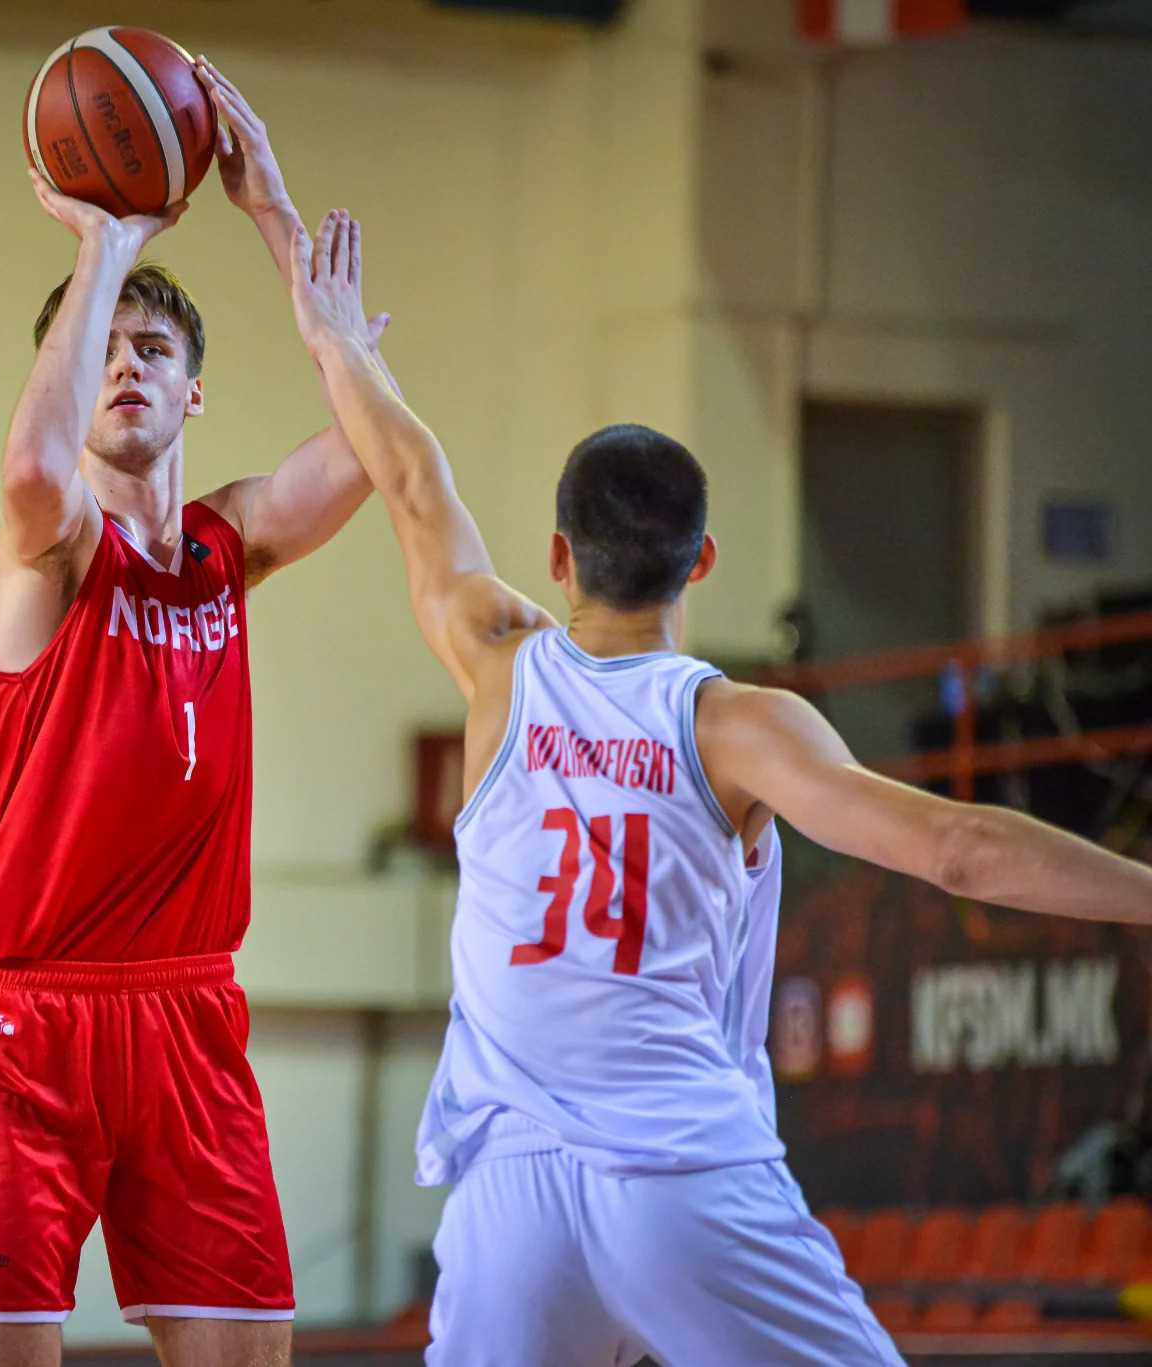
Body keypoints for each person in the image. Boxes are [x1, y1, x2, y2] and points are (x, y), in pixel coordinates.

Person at [283, 208, 1152, 1365]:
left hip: (511, 1193)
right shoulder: (735, 726)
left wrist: (338, 337)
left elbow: (407, 479)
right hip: (677, 1170)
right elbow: (958, 852)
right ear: (699, 558)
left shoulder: (493, 662)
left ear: (555, 555)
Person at [0, 61, 392, 1367]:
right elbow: (29, 462)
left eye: (157, 349)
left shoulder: (224, 543)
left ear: (196, 395)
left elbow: (377, 452)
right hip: (27, 1018)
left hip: (188, 1014)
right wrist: (106, 246)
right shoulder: (50, 552)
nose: (128, 363)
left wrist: (279, 224)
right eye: (106, 350)